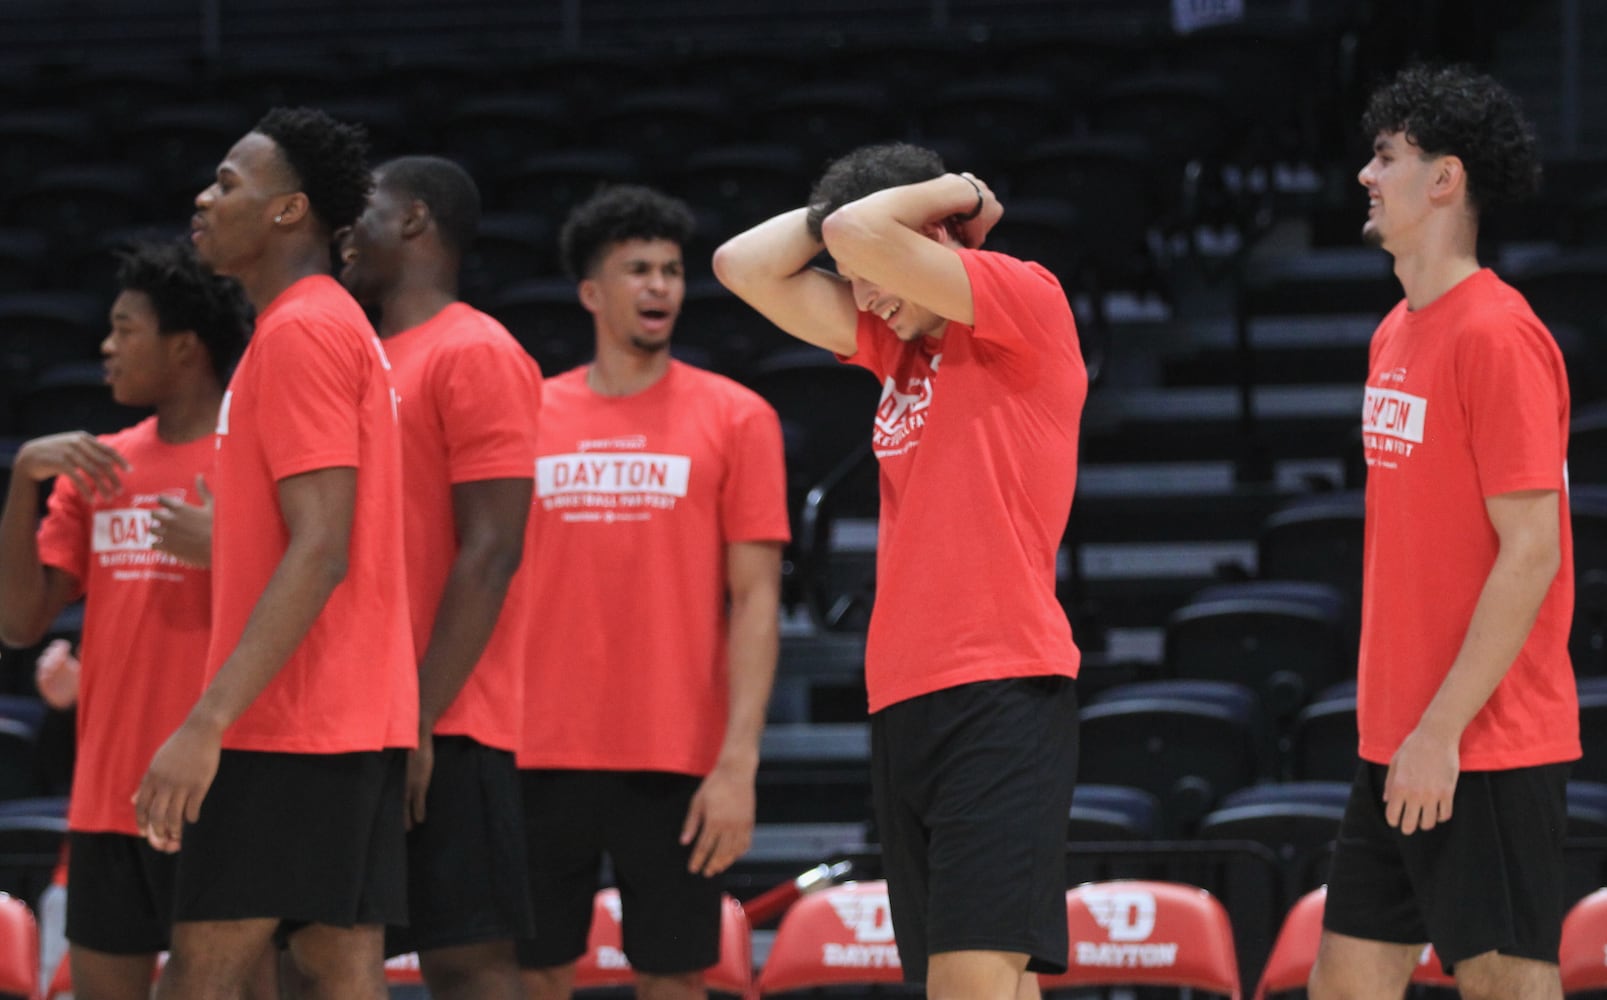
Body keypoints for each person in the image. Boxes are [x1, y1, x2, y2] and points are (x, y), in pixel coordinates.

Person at [714, 142, 1086, 1000]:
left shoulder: (1024, 302)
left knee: (969, 983)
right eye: (849, 274)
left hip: (1000, 687)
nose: (864, 292)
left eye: (872, 269)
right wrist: (839, 218)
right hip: (904, 696)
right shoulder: (897, 346)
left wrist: (959, 190)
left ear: (937, 232)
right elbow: (741, 265)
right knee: (986, 982)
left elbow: (856, 228)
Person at [133, 106, 417, 1000]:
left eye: (227, 182)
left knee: (202, 977)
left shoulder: (300, 332)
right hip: (346, 715)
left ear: (289, 211)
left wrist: (206, 722)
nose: (204, 198)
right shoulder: (327, 324)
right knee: (337, 964)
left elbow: (321, 548)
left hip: (290, 722)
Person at [1305, 66, 1576, 1000]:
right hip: (1398, 738)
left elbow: (1532, 551)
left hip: (1483, 742)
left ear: (1444, 179)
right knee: (1342, 983)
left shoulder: (1497, 335)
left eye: (1386, 157)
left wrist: (1441, 729)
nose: (1364, 177)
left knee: (1506, 985)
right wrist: (1407, 733)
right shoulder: (1394, 330)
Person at [515, 185, 788, 1000]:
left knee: (673, 978)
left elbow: (758, 599)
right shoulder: (526, 412)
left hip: (678, 754)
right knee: (531, 976)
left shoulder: (738, 417)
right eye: (636, 269)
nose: (659, 286)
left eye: (670, 269)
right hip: (536, 747)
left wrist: (738, 760)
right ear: (591, 293)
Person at [0, 240, 251, 1000]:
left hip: (223, 793)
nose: (105, 346)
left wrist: (229, 548)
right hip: (109, 795)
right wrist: (23, 483)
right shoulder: (98, 467)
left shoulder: (252, 461)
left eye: (124, 327)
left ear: (183, 347)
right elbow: (17, 623)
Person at [337, 154, 541, 1000]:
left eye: (365, 210)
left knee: (466, 961)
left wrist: (418, 714)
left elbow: (491, 549)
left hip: (445, 719)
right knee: (322, 954)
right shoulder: (360, 357)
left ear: (415, 218)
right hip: (357, 714)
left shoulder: (476, 349)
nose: (346, 233)